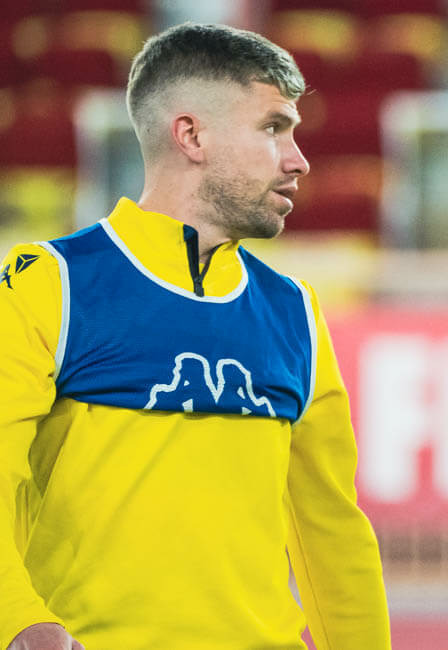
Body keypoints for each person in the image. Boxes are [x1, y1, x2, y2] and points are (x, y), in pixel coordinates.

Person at [0, 23, 390, 649]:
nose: (298, 159)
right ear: (191, 135)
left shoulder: (294, 308)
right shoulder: (52, 283)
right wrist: (18, 617)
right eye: (273, 128)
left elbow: (332, 532)